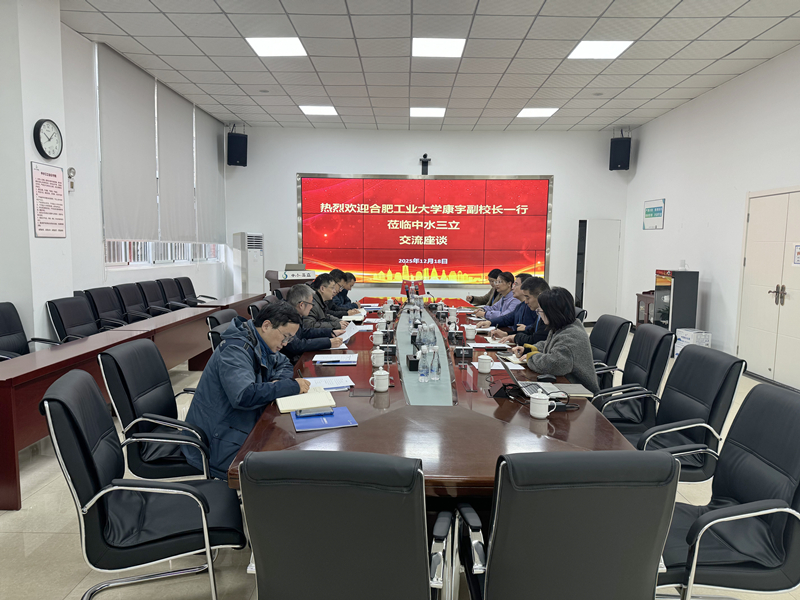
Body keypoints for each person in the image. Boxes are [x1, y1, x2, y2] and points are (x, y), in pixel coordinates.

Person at [181, 302, 311, 479]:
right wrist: (289, 386)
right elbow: (244, 395)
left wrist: (277, 383)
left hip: (242, 422)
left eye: (290, 339)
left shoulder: (260, 342)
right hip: (217, 441)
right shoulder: (235, 350)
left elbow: (283, 363)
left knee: (292, 446)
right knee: (285, 468)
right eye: (285, 336)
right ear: (266, 325)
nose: (285, 343)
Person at [511, 287, 599, 394]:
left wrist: (531, 357)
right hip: (564, 385)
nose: (539, 315)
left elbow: (555, 364)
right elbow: (551, 344)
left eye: (540, 311)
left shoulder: (571, 335)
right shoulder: (561, 327)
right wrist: (530, 349)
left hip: (580, 393)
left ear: (551, 313)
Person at [282, 284, 344, 361]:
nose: (312, 307)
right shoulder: (285, 318)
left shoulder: (294, 314)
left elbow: (304, 332)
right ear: (301, 305)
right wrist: (328, 342)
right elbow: (297, 345)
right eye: (311, 303)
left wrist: (330, 332)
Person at [493, 276, 550, 345]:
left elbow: (535, 339)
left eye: (528, 298)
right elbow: (530, 332)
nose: (526, 302)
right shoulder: (537, 311)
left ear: (540, 296)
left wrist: (515, 337)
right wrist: (507, 334)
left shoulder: (548, 315)